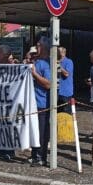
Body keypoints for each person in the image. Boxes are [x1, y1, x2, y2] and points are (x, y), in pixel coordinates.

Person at [29, 36, 52, 167]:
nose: (36, 47)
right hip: (33, 103)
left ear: (43, 47)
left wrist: (35, 75)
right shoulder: (37, 62)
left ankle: (40, 156)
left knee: (42, 132)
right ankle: (34, 154)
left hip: (42, 104)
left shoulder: (46, 64)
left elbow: (48, 84)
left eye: (38, 45)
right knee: (34, 131)